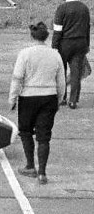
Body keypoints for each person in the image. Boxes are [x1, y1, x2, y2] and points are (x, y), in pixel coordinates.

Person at [9, 22, 65, 185]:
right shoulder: (55, 54)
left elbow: (17, 77)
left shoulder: (25, 54)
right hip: (49, 97)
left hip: (28, 96)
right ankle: (42, 173)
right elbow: (60, 81)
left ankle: (30, 166)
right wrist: (59, 98)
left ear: (32, 36)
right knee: (44, 135)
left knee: (25, 131)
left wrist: (12, 98)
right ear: (46, 37)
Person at [52, 0, 90, 109]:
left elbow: (57, 30)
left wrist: (54, 47)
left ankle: (62, 98)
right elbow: (87, 28)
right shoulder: (84, 7)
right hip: (80, 43)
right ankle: (73, 101)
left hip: (65, 44)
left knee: (62, 72)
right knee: (76, 73)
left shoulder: (62, 8)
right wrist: (87, 45)